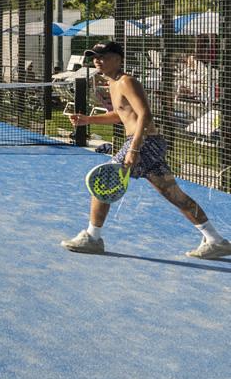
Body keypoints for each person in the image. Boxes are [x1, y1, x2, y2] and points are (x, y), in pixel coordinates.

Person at [61, 41, 231, 259]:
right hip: (149, 143)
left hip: (144, 143)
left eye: (103, 56)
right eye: (94, 56)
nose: (97, 61)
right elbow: (122, 115)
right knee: (173, 194)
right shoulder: (112, 83)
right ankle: (216, 240)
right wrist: (88, 119)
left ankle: (93, 238)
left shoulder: (127, 81)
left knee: (103, 181)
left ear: (118, 59)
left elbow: (144, 115)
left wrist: (134, 148)